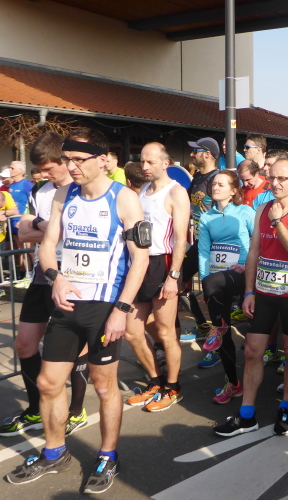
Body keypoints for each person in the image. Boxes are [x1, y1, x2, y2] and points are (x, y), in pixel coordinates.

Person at [5, 127, 148, 493]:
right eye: (67, 159)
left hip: (105, 305)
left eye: (79, 160)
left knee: (104, 385)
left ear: (103, 160)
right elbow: (47, 244)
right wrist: (54, 277)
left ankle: (107, 455)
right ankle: (54, 453)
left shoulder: (124, 199)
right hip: (67, 300)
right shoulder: (62, 195)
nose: (71, 167)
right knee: (48, 382)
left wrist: (121, 309)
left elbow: (140, 259)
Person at [215, 158, 288, 437]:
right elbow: (254, 253)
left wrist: (278, 221)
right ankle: (247, 415)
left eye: (282, 178)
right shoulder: (262, 208)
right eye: (272, 177)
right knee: (252, 351)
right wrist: (248, 291)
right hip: (264, 291)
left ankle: (286, 407)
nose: (275, 183)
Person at [1, 132, 87, 438]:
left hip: (74, 274)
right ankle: (36, 408)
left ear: (63, 161)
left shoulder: (81, 190)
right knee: (24, 344)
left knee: (75, 347)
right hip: (42, 273)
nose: (43, 174)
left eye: (49, 168)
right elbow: (23, 233)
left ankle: (76, 410)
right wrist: (43, 225)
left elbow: (71, 233)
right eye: (39, 170)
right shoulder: (41, 191)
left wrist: (40, 225)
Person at [123, 143, 190, 412]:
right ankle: (155, 381)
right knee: (131, 332)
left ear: (165, 163)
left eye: (151, 162)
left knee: (165, 332)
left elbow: (181, 238)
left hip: (163, 264)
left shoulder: (176, 192)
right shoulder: (141, 192)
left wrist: (174, 276)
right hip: (139, 264)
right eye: (142, 161)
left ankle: (173, 387)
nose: (145, 167)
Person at [197, 170, 255, 403]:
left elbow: (259, 243)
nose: (215, 187)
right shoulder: (206, 217)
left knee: (220, 327)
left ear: (233, 190)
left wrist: (246, 264)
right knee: (224, 336)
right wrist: (205, 282)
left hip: (241, 275)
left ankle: (217, 328)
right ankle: (233, 384)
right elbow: (203, 251)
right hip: (216, 280)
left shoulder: (245, 212)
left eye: (221, 184)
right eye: (214, 184)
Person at [179, 137, 221, 348]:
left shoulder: (217, 180)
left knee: (212, 292)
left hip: (215, 245)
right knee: (178, 280)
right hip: (198, 242)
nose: (192, 155)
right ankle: (203, 326)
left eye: (196, 151)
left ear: (208, 154)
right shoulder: (196, 177)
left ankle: (217, 336)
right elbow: (187, 206)